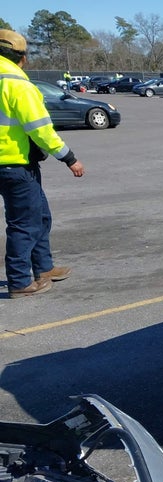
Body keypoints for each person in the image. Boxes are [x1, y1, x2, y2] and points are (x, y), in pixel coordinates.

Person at [0, 29, 84, 298]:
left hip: (11, 164)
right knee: (24, 223)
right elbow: (41, 130)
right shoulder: (17, 84)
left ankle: (44, 268)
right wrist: (69, 158)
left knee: (39, 216)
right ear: (21, 57)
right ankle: (20, 281)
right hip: (14, 163)